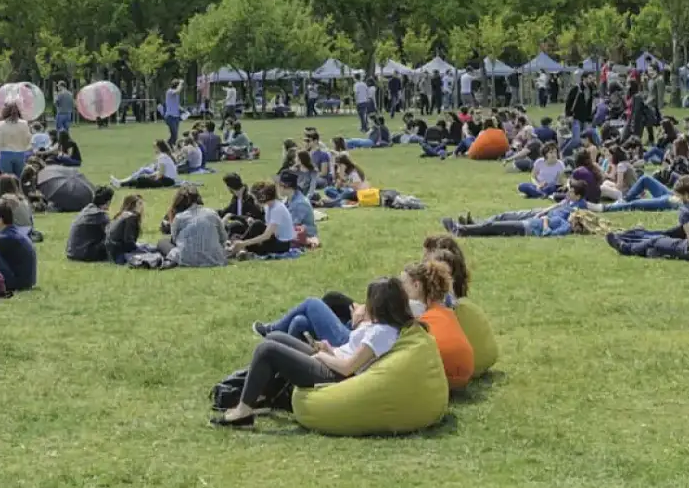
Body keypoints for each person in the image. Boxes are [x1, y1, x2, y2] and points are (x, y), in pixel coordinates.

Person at [211, 276, 417, 428]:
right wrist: (331, 349)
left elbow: (348, 369)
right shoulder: (383, 327)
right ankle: (258, 396)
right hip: (333, 360)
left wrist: (323, 356)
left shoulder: (381, 333)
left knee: (267, 349)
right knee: (275, 338)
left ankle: (243, 411)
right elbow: (351, 356)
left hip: (333, 375)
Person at [606, 176, 689, 267]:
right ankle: (634, 234)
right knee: (668, 233)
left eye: (679, 196)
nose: (679, 200)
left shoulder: (686, 211)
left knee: (657, 240)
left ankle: (626, 247)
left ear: (686, 195)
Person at [402, 259, 474, 389]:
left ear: (416, 286)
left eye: (404, 284)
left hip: (443, 375)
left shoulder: (417, 312)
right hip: (465, 373)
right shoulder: (447, 312)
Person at [443, 180, 594, 237]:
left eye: (571, 192)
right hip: (534, 222)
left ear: (578, 196)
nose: (567, 193)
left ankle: (460, 230)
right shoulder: (568, 204)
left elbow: (551, 233)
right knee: (500, 220)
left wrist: (545, 221)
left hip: (531, 226)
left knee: (494, 227)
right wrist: (544, 214)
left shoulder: (574, 213)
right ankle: (468, 226)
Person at [161, 185, 227, 267]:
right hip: (216, 258)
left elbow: (174, 240)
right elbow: (223, 238)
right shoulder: (212, 213)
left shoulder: (179, 218)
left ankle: (171, 259)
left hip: (188, 259)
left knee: (163, 242)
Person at [232, 181, 295, 257]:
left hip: (281, 245)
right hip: (274, 239)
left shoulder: (277, 209)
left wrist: (244, 243)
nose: (255, 201)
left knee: (257, 225)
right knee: (250, 226)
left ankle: (239, 246)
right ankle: (240, 247)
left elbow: (267, 236)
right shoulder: (268, 206)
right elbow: (269, 228)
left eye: (255, 198)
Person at [0, 198, 37, 291]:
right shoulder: (12, 232)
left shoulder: (4, 238)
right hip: (27, 281)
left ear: (0, 220)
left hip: (18, 284)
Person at [66, 186, 114, 262]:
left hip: (72, 252)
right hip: (84, 254)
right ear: (108, 202)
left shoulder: (86, 209)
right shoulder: (100, 215)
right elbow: (112, 234)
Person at [105, 194, 154, 264]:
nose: (142, 206)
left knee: (148, 246)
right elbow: (129, 243)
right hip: (121, 255)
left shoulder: (121, 215)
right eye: (140, 204)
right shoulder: (131, 218)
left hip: (113, 254)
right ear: (132, 205)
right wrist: (142, 250)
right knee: (154, 250)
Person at [111, 140, 178, 189]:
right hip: (168, 180)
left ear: (159, 147)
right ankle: (121, 183)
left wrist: (150, 177)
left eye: (155, 147)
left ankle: (121, 184)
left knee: (142, 179)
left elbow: (161, 174)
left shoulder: (162, 156)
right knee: (142, 178)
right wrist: (151, 176)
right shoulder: (164, 156)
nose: (154, 149)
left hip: (167, 181)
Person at [0, 103, 32, 178]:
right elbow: (28, 139)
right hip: (20, 153)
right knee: (19, 179)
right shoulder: (24, 123)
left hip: (5, 153)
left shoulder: (1, 124)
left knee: (7, 180)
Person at [282, 170, 317, 238]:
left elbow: (290, 225)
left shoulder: (299, 203)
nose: (278, 188)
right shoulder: (289, 198)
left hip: (306, 234)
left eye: (280, 185)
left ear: (287, 187)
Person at [164, 79, 183, 146]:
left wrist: (181, 108)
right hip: (170, 117)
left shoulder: (176, 94)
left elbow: (175, 104)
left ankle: (168, 147)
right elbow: (178, 91)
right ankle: (165, 146)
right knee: (175, 135)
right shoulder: (170, 91)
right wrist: (180, 83)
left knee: (174, 136)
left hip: (176, 117)